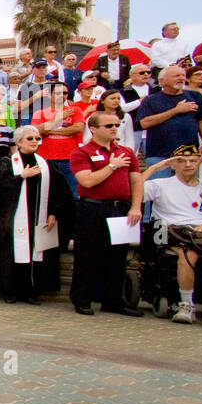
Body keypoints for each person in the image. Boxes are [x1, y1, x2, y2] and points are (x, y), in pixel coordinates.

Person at [68, 109, 143, 316]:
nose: (114, 129)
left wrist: (135, 206)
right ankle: (82, 299)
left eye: (117, 125)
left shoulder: (126, 152)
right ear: (93, 129)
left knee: (118, 257)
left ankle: (113, 300)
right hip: (92, 208)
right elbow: (87, 180)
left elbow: (136, 180)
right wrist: (112, 165)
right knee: (87, 255)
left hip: (119, 208)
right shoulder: (81, 153)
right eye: (109, 126)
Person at [0, 125, 73, 304]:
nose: (34, 141)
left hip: (38, 218)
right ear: (18, 142)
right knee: (13, 253)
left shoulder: (46, 164)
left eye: (37, 138)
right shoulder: (7, 163)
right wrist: (21, 177)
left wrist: (53, 213)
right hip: (12, 219)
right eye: (30, 138)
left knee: (35, 253)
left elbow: (60, 191)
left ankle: (31, 291)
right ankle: (10, 290)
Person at [142, 144, 202, 323]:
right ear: (173, 164)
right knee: (189, 253)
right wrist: (156, 168)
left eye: (192, 161)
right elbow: (132, 191)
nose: (188, 164)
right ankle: (186, 304)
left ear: (199, 163)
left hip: (201, 233)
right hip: (167, 230)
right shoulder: (160, 184)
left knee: (195, 248)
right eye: (182, 161)